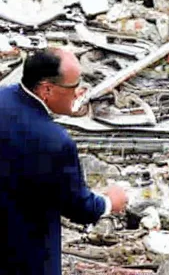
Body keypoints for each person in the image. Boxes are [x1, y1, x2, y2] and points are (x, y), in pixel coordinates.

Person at [0, 48, 128, 275]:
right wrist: (109, 202)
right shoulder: (54, 142)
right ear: (47, 88)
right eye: (73, 87)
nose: (80, 92)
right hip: (26, 254)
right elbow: (79, 207)